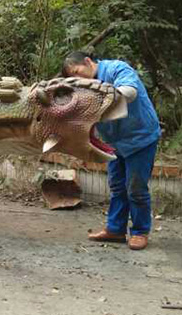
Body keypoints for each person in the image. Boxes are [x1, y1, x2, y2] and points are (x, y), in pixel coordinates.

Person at [62, 52, 161, 250]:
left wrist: (100, 96)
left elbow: (130, 92)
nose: (77, 78)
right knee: (117, 186)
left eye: (77, 72)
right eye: (73, 77)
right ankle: (115, 229)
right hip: (115, 142)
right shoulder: (83, 86)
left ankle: (140, 232)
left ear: (88, 62)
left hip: (140, 139)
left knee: (136, 188)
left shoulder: (117, 69)